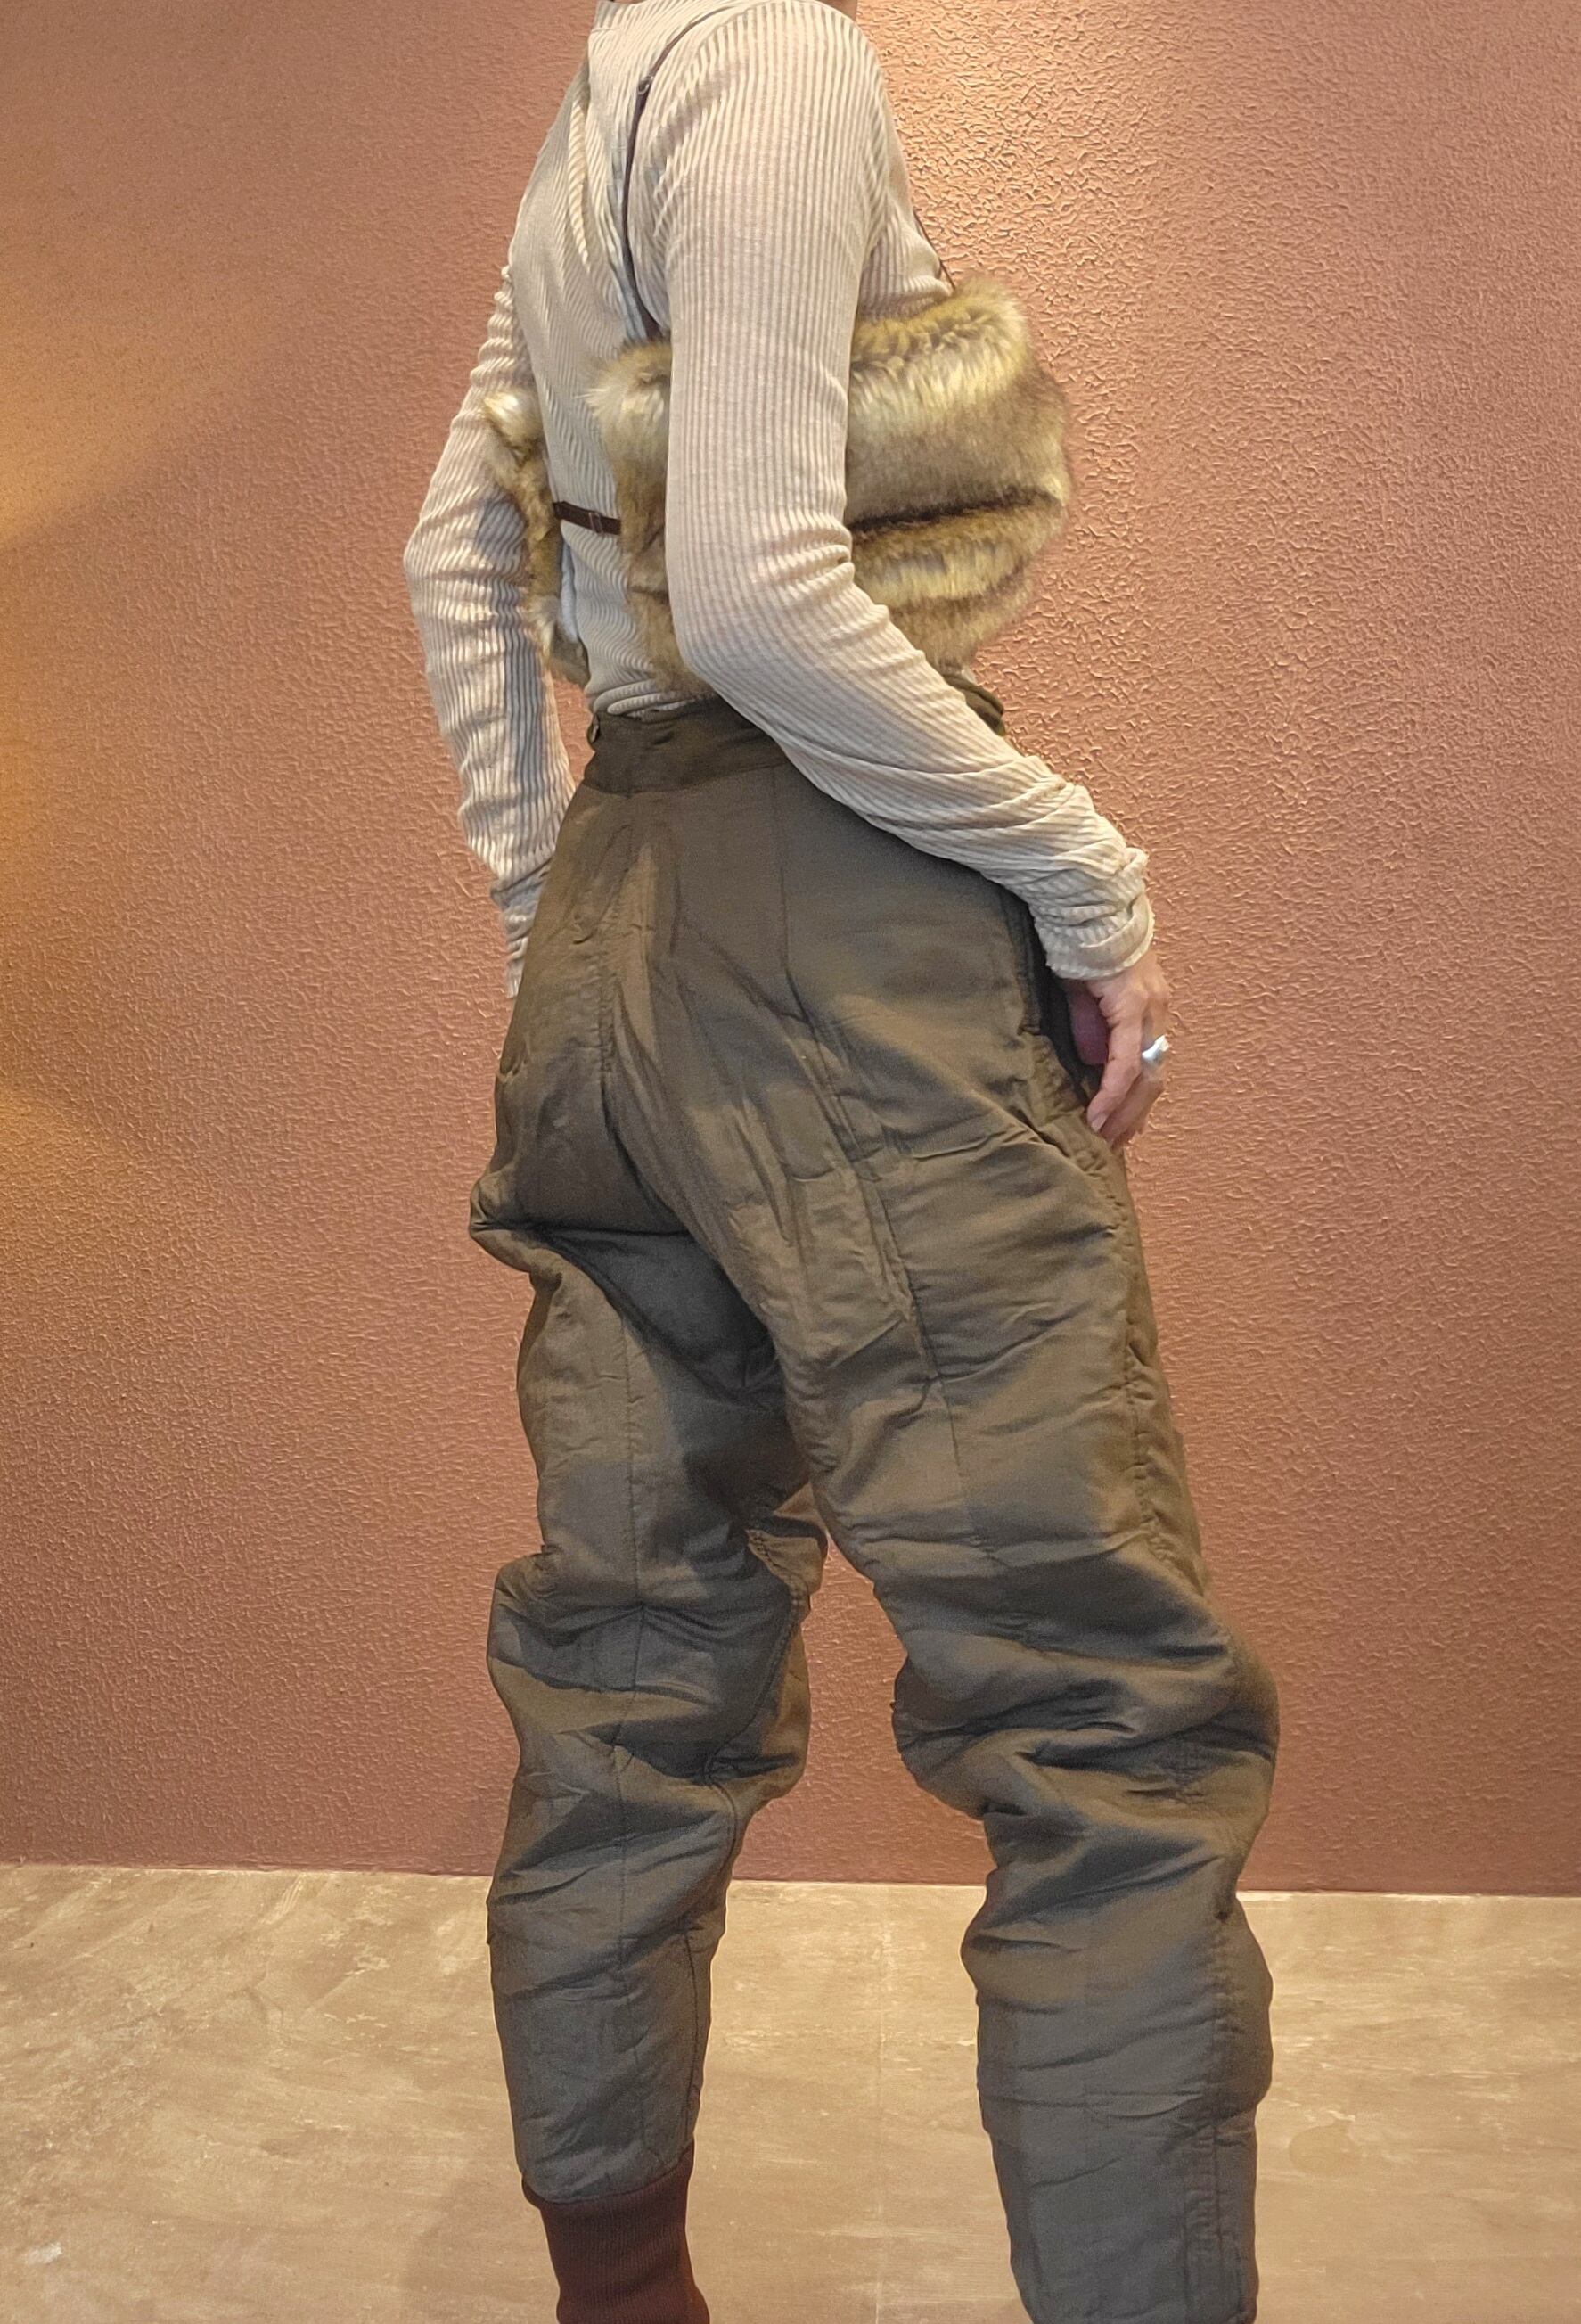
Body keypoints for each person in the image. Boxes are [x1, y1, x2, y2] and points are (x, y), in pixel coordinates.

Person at [403, 4, 1280, 2320]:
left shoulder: (599, 103)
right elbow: (768, 592)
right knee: (1093, 1718)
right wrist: (1087, 879)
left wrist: (556, 914)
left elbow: (448, 560)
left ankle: (622, 2293)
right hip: (844, 934)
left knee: (628, 1668)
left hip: (624, 931)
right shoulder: (780, 50)